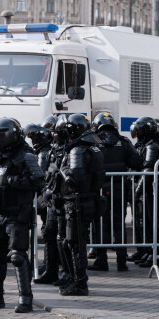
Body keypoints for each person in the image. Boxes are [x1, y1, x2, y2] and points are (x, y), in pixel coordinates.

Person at [0, 118, 44, 313]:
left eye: (1, 136)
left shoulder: (25, 156)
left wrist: (15, 180)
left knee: (17, 256)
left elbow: (39, 180)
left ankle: (25, 299)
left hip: (16, 214)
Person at [56, 114, 105, 296]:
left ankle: (80, 283)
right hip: (88, 200)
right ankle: (76, 279)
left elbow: (74, 179)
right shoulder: (93, 147)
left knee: (75, 244)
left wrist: (63, 169)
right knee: (75, 243)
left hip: (78, 202)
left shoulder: (78, 150)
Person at [88, 113, 143, 272]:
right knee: (119, 224)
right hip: (119, 189)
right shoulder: (124, 142)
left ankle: (102, 260)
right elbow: (138, 162)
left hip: (99, 190)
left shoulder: (93, 141)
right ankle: (121, 262)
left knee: (100, 224)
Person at [130, 116, 159, 268]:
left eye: (140, 132)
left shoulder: (153, 145)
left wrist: (137, 190)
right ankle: (148, 251)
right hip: (150, 188)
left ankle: (155, 254)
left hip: (152, 188)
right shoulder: (148, 143)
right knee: (146, 222)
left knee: (152, 222)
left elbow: (148, 169)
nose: (138, 135)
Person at [32, 116, 62, 284]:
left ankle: (64, 272)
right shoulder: (53, 150)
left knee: (61, 236)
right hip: (51, 198)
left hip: (60, 199)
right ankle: (51, 269)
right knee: (49, 233)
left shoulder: (60, 150)